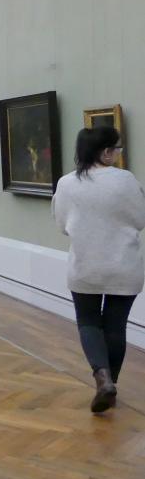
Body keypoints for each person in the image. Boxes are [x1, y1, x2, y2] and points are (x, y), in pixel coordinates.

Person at [53, 126, 145, 414]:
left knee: (89, 322)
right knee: (116, 326)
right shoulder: (125, 180)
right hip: (124, 266)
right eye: (117, 149)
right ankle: (110, 384)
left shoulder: (66, 184)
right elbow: (141, 219)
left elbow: (62, 225)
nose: (118, 154)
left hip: (85, 266)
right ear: (105, 152)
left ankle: (102, 378)